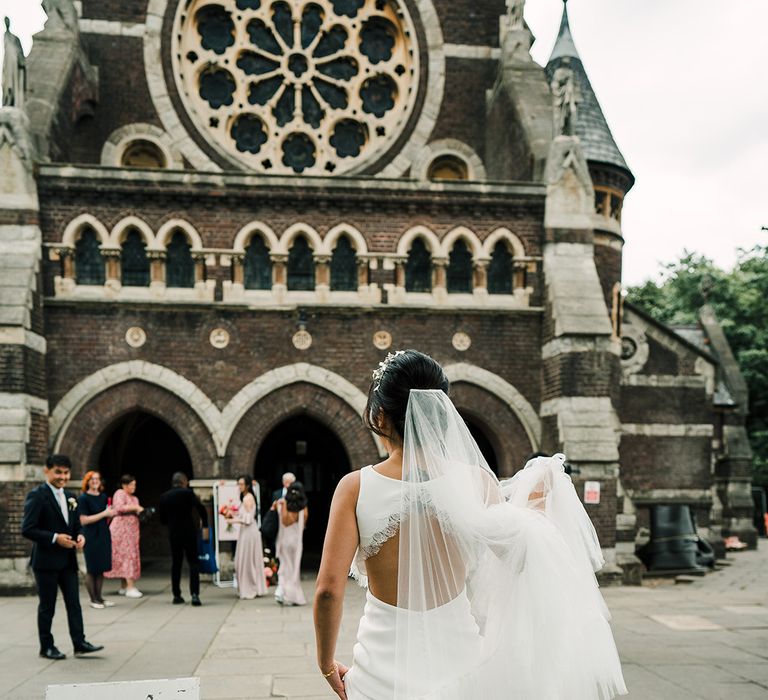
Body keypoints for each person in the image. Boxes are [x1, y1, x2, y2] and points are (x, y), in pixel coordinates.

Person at [314, 350, 627, 699]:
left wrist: (326, 663)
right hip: (459, 658)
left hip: (380, 668)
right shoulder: (476, 482)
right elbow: (518, 556)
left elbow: (328, 589)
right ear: (442, 415)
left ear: (380, 416)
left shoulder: (355, 487)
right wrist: (535, 502)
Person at [21, 454, 105, 660]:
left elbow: (76, 524)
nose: (63, 477)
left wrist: (80, 536)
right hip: (45, 562)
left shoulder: (71, 496)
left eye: (66, 473)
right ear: (47, 471)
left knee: (74, 604)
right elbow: (28, 529)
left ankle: (79, 643)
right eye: (58, 472)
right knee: (47, 606)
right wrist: (55, 538)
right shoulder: (37, 496)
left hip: (68, 561)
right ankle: (46, 646)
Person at [158, 471, 209, 606]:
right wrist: (205, 525)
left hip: (174, 534)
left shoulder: (164, 497)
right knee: (193, 563)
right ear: (184, 481)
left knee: (176, 564)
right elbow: (201, 509)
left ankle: (177, 595)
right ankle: (195, 595)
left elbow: (162, 520)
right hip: (189, 533)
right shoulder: (188, 494)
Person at [77, 471, 117, 609]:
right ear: (87, 481)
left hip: (103, 534)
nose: (95, 481)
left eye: (97, 479)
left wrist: (111, 514)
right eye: (92, 479)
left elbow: (105, 517)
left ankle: (100, 597)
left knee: (101, 568)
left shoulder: (103, 497)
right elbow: (83, 520)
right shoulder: (83, 498)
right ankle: (93, 599)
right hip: (91, 535)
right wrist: (104, 513)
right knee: (92, 568)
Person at [226, 474, 268, 599]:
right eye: (238, 484)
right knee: (244, 560)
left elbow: (248, 519)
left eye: (241, 484)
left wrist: (232, 521)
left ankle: (250, 587)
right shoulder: (245, 497)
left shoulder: (247, 498)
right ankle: (248, 586)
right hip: (246, 532)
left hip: (249, 532)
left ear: (247, 485)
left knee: (246, 561)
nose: (239, 486)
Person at [105, 474, 144, 598]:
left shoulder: (135, 498)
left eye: (135, 485)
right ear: (124, 485)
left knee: (129, 555)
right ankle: (130, 587)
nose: (134, 487)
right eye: (131, 484)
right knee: (126, 556)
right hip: (121, 530)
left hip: (132, 530)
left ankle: (124, 586)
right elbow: (119, 507)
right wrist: (135, 507)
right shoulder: (120, 493)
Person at [272, 481, 308, 606]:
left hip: (286, 541)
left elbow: (285, 522)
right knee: (295, 569)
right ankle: (295, 595)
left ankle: (285, 592)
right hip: (297, 542)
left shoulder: (284, 504)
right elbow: (303, 524)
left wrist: (280, 507)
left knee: (285, 567)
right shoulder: (303, 507)